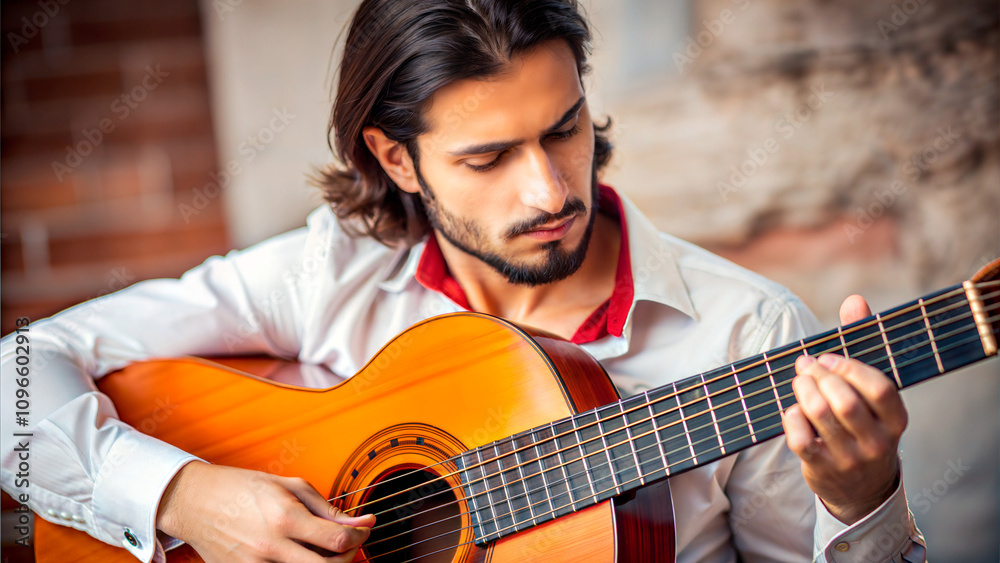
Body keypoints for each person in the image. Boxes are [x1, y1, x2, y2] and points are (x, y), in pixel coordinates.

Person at [0, 1, 925, 561]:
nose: (552, 187)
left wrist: (863, 501)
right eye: (489, 156)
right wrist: (183, 494)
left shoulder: (747, 335)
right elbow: (12, 381)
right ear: (396, 158)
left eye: (563, 129)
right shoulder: (336, 271)